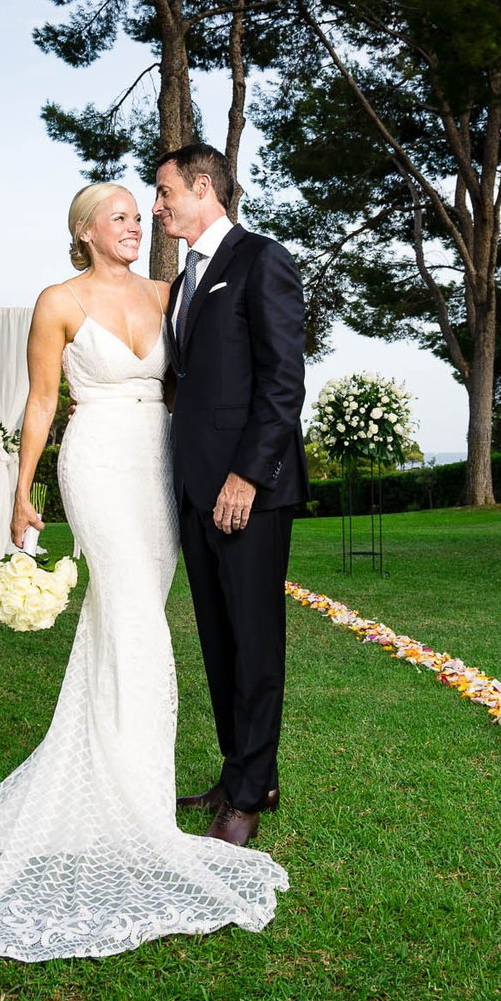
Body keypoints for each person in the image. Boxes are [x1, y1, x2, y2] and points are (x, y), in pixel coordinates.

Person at [0, 182, 289, 961]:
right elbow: (40, 401)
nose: (136, 224)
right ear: (84, 230)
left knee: (127, 617)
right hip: (97, 463)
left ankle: (110, 769)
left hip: (161, 470)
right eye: (121, 216)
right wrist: (24, 488)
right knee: (134, 614)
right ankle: (137, 804)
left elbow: (196, 381)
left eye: (142, 213)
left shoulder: (172, 291)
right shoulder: (57, 300)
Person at [151, 143, 309, 848]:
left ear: (203, 185)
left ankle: (248, 797)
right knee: (218, 643)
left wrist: (248, 474)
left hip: (250, 493)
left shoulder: (261, 258)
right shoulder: (184, 277)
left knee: (255, 644)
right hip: (193, 494)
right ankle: (243, 771)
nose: (157, 206)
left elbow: (283, 382)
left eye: (164, 192)